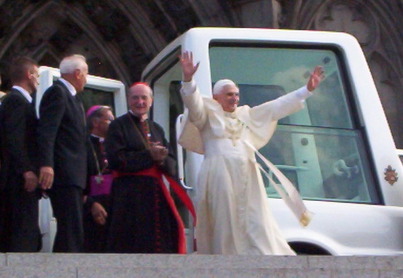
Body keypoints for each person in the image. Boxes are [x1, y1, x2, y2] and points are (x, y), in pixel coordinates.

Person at [178, 51, 324, 255]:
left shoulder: (246, 114)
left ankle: (260, 257)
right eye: (229, 94)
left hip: (247, 172)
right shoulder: (206, 114)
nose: (234, 98)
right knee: (224, 219)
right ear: (216, 97)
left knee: (256, 219)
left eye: (236, 94)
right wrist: (188, 79)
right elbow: (193, 103)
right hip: (219, 173)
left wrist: (306, 90)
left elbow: (276, 107)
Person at [105, 82, 195, 253]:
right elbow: (116, 160)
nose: (140, 102)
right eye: (135, 98)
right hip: (128, 196)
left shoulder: (156, 128)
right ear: (128, 100)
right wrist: (149, 155)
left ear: (151, 101)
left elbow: (172, 162)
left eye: (144, 98)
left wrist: (161, 160)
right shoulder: (118, 126)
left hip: (155, 194)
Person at [37, 54, 88, 252]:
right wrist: (46, 164)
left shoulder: (74, 99)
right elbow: (47, 131)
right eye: (85, 74)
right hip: (64, 173)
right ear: (77, 74)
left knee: (73, 229)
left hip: (74, 175)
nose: (86, 78)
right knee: (70, 229)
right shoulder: (57, 93)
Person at [0, 57, 41, 252]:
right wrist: (26, 170)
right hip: (17, 178)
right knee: (21, 228)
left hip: (17, 176)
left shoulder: (17, 101)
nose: (39, 80)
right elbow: (14, 138)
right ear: (29, 75)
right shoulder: (16, 101)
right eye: (37, 75)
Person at [83, 105, 114, 253]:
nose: (113, 123)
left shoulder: (115, 144)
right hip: (91, 203)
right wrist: (90, 203)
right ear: (96, 122)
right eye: (109, 119)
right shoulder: (84, 144)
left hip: (113, 203)